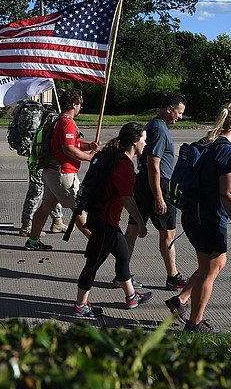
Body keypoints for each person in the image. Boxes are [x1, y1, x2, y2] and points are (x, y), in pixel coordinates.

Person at [165, 102, 231, 334]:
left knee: (215, 264)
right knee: (208, 270)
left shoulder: (206, 143)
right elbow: (228, 192)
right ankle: (195, 322)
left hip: (193, 215)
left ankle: (181, 300)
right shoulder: (228, 151)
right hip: (209, 218)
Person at [74, 123, 153, 317]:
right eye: (144, 139)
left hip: (106, 220)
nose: (146, 143)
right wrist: (141, 223)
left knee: (123, 255)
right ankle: (80, 305)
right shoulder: (123, 164)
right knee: (92, 264)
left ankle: (131, 296)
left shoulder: (114, 156)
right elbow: (127, 198)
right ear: (135, 142)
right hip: (105, 222)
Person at [120, 92, 189, 291]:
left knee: (132, 229)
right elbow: (153, 165)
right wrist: (159, 196)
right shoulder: (159, 129)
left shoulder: (153, 126)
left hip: (143, 183)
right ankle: (173, 277)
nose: (180, 116)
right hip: (156, 185)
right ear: (169, 108)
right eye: (179, 112)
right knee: (168, 232)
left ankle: (121, 274)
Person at [24, 89, 98, 250]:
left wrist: (88, 146)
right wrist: (90, 157)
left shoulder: (59, 121)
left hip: (51, 172)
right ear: (73, 104)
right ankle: (98, 244)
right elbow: (68, 150)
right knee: (80, 209)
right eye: (80, 104)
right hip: (63, 173)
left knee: (45, 207)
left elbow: (70, 146)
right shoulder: (67, 123)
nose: (81, 108)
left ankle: (33, 241)